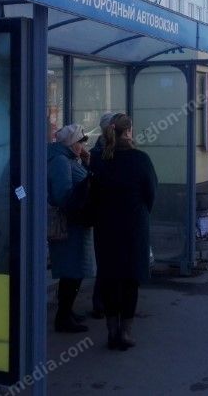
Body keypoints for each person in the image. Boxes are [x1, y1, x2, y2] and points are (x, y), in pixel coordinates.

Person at [90, 114, 157, 350]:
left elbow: (93, 194)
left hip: (106, 229)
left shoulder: (101, 160)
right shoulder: (141, 159)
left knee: (109, 278)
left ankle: (111, 331)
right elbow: (150, 193)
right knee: (130, 280)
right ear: (128, 132)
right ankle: (125, 332)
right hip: (133, 229)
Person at [47, 124, 94, 333]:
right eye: (80, 142)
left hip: (76, 224)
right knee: (71, 271)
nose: (83, 145)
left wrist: (87, 162)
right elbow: (62, 195)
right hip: (70, 226)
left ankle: (67, 311)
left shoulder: (69, 159)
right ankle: (63, 316)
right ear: (70, 143)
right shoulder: (60, 161)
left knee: (75, 270)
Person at [86, 112, 116, 320]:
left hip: (102, 214)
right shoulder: (106, 152)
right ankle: (103, 302)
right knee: (108, 260)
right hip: (107, 214)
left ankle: (102, 302)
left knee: (106, 260)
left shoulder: (95, 152)